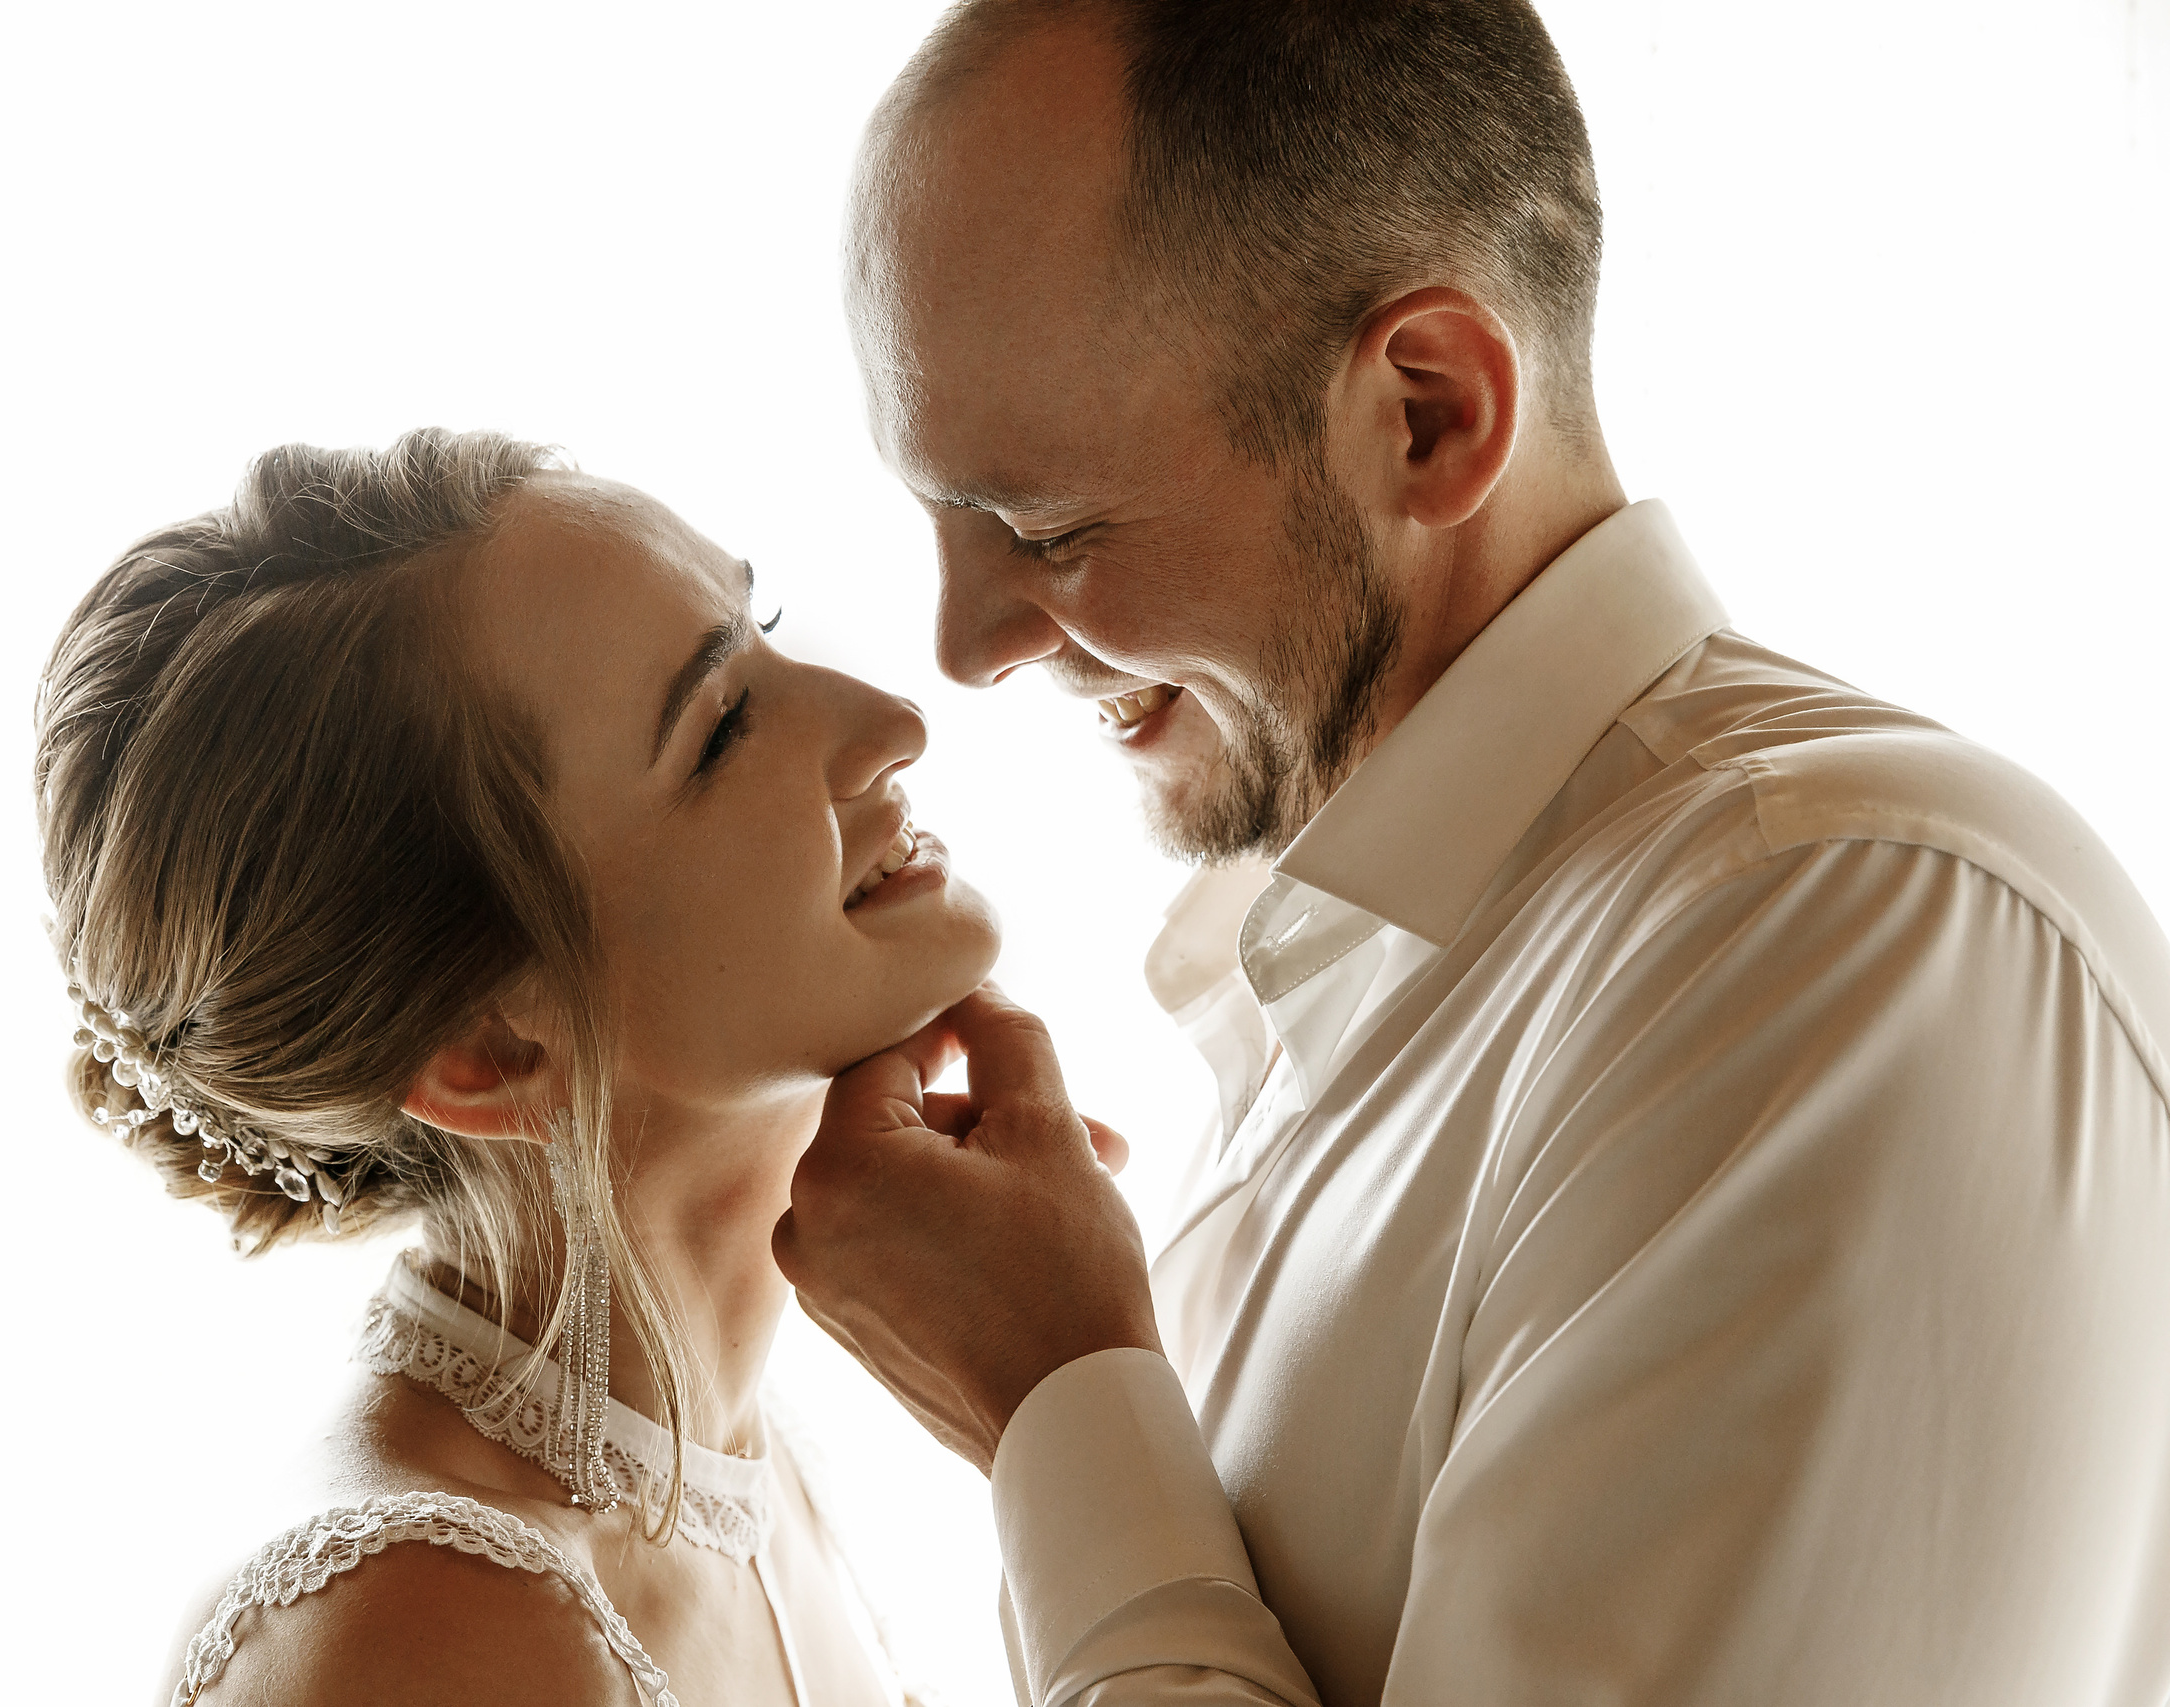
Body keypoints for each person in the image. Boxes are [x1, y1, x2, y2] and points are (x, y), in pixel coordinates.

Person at [774, 3, 2170, 1704]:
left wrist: (1057, 1401)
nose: (966, 646)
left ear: (1427, 416)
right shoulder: (1370, 966)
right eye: (940, 518)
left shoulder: (1846, 945)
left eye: (1046, 528)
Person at [34, 428, 1038, 1705]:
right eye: (722, 728)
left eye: (766, 626)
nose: (892, 724)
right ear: (491, 1051)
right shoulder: (422, 1632)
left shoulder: (750, 1459)